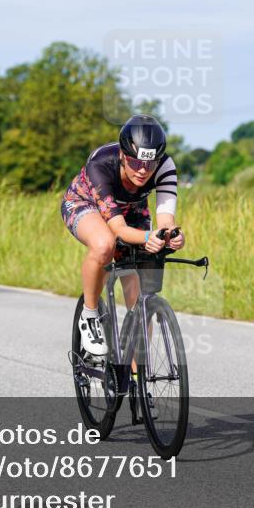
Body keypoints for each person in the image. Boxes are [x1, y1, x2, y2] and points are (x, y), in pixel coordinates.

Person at [60, 114, 185, 357]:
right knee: (105, 244)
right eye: (135, 162)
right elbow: (118, 230)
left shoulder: (165, 166)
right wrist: (148, 237)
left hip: (132, 211)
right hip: (85, 204)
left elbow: (166, 220)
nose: (143, 171)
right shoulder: (100, 164)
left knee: (139, 300)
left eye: (150, 164)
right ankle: (90, 314)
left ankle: (137, 377)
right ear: (121, 155)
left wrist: (172, 236)